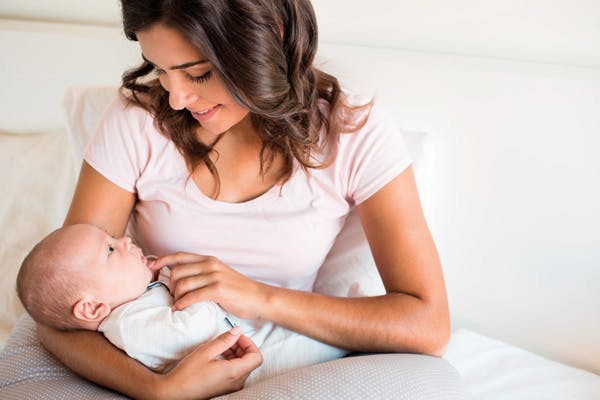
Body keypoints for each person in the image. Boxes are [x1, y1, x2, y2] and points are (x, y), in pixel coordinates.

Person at [36, 0, 451, 398]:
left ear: (268, 39)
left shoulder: (351, 133)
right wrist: (159, 390)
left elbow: (427, 325)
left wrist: (258, 297)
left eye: (197, 74)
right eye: (161, 69)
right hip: (154, 362)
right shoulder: (137, 122)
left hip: (284, 359)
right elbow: (60, 308)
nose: (176, 98)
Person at [17, 224, 346, 382]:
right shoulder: (130, 326)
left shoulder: (136, 301)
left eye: (113, 237)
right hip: (260, 358)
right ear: (91, 308)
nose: (126, 240)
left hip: (253, 334)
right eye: (110, 250)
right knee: (321, 345)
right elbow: (191, 330)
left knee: (325, 332)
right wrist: (183, 286)